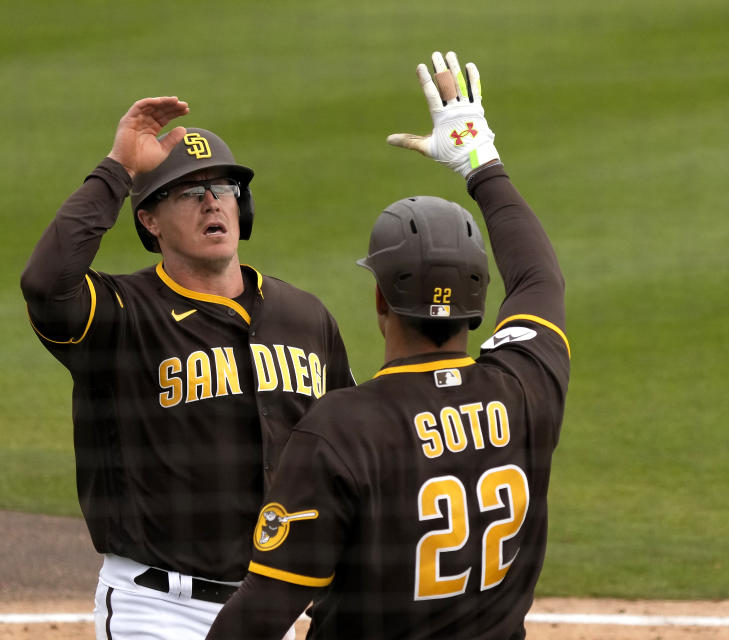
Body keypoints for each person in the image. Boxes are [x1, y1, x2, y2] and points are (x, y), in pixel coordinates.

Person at [205, 50, 570, 639]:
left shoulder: (342, 429)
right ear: (479, 301)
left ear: (381, 301)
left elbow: (260, 615)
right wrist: (483, 161)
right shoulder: (528, 387)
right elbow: (539, 280)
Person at [20, 96, 355, 639]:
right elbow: (45, 282)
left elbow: (346, 449)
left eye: (223, 189)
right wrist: (119, 169)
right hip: (157, 608)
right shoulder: (121, 314)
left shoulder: (304, 316)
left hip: (272, 606)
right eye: (189, 192)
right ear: (148, 219)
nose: (212, 203)